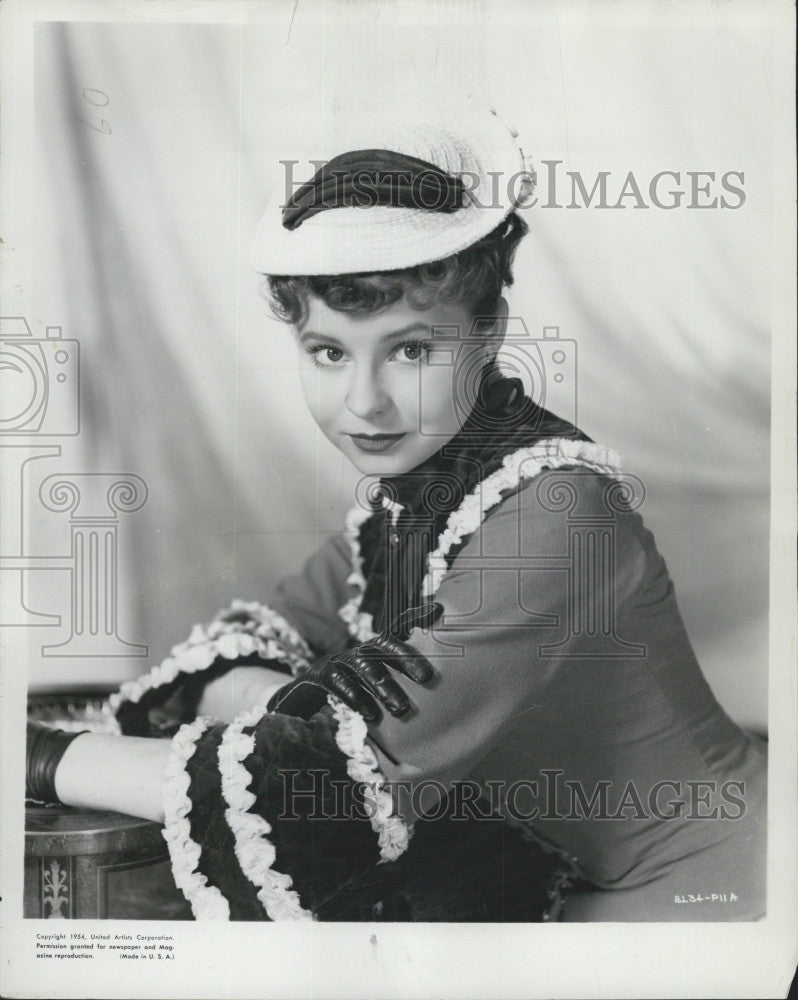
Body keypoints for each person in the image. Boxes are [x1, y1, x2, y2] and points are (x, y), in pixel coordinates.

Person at [26, 91, 766, 922]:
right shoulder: (408, 504)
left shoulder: (561, 513)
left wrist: (42, 756)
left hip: (715, 902)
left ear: (488, 337)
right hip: (556, 895)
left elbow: (309, 789)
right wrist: (303, 710)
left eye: (412, 349)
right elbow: (230, 648)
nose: (365, 403)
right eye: (328, 352)